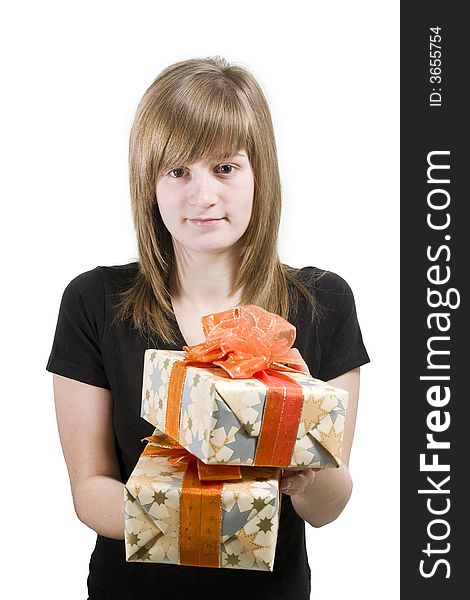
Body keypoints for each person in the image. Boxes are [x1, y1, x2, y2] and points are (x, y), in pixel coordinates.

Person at [46, 55, 370, 600]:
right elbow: (89, 491)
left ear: (258, 174)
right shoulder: (93, 301)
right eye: (178, 171)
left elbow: (327, 509)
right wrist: (211, 520)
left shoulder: (323, 303)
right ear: (149, 181)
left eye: (225, 167)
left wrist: (303, 437)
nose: (203, 196)